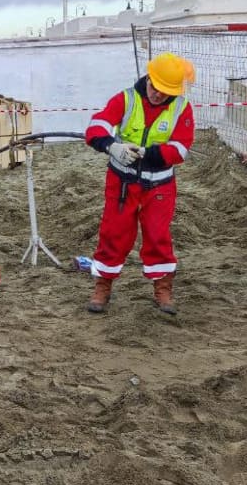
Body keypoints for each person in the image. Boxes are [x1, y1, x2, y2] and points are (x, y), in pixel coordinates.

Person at [83, 52, 196, 315]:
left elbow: (181, 149)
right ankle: (103, 286)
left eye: (165, 92)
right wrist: (112, 147)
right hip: (122, 183)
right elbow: (96, 126)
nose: (158, 95)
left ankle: (163, 289)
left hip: (159, 186)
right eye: (156, 88)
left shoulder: (181, 107)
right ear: (148, 78)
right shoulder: (126, 98)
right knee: (113, 234)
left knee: (158, 236)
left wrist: (149, 153)